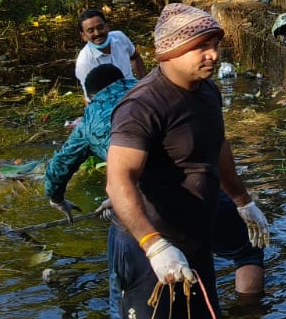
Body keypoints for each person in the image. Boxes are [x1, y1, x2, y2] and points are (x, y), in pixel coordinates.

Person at [104, 4, 272, 319]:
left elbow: (217, 146)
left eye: (215, 45)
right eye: (201, 47)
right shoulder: (142, 105)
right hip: (146, 246)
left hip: (194, 241)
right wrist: (154, 245)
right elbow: (118, 183)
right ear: (168, 53)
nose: (212, 55)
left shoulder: (208, 92)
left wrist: (243, 200)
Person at [46, 64, 267, 296]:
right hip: (198, 186)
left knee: (157, 284)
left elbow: (60, 166)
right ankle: (247, 317)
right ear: (124, 78)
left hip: (145, 209)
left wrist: (58, 199)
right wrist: (243, 201)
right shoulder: (153, 89)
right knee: (247, 251)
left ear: (88, 97)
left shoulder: (89, 120)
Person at [76, 9, 146, 100]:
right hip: (111, 103)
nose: (97, 33)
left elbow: (135, 57)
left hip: (134, 92)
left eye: (100, 27)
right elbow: (90, 98)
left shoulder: (119, 37)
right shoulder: (84, 61)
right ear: (83, 36)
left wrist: (144, 84)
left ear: (107, 26)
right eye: (90, 31)